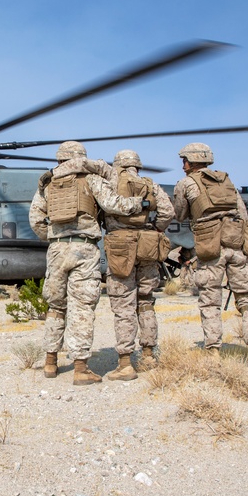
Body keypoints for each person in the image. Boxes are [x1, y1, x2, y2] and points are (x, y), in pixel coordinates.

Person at [29, 141, 148, 386]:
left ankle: (50, 362)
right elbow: (114, 205)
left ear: (60, 160)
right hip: (84, 248)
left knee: (56, 307)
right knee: (81, 308)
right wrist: (139, 203)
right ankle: (81, 369)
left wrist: (54, 236)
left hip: (56, 249)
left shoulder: (48, 184)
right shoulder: (91, 180)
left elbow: (36, 219)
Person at [172, 142, 248, 365]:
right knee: (247, 299)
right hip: (237, 246)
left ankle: (213, 353)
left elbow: (180, 215)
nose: (182, 165)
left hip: (211, 248)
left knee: (210, 301)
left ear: (192, 161)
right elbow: (242, 214)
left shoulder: (186, 184)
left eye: (184, 160)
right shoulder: (227, 181)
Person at [102, 149, 175, 381]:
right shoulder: (149, 184)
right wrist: (156, 229)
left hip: (119, 247)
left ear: (118, 165)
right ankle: (148, 354)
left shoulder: (109, 181)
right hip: (147, 246)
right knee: (145, 302)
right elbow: (168, 211)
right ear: (137, 166)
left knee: (123, 306)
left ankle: (125, 363)